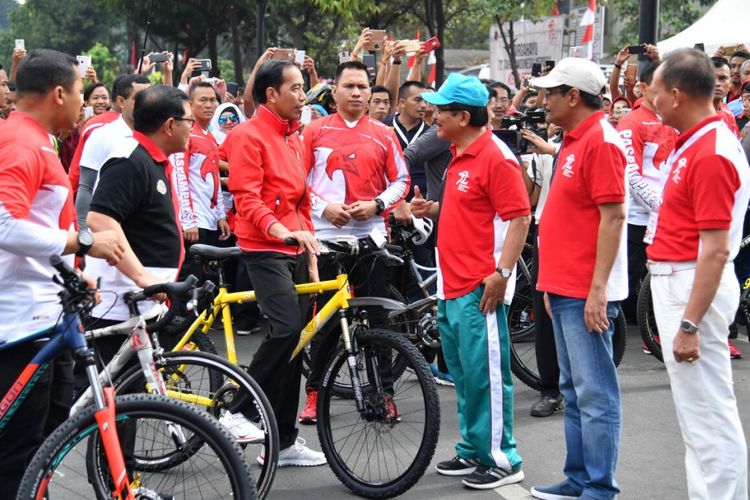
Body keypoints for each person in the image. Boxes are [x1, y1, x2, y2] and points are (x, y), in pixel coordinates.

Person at [0, 48, 124, 497]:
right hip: (21, 324)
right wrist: (84, 243)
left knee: (42, 452)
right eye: (77, 92)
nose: (82, 103)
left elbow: (39, 225)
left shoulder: (36, 139)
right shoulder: (21, 140)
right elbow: (5, 225)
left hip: (46, 313)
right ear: (58, 93)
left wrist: (72, 273)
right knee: (20, 458)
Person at [412, 73, 530, 489]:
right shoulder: (459, 152)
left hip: (481, 288)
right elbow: (473, 207)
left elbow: (519, 217)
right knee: (463, 374)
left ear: (463, 116)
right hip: (452, 283)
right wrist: (432, 209)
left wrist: (501, 274)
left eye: (441, 110)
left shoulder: (496, 156)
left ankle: (502, 458)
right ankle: (475, 448)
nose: (433, 115)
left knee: (487, 376)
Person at [647, 47, 749, 500]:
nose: (647, 98)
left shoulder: (710, 151)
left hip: (692, 284)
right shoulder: (698, 140)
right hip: (683, 281)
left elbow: (715, 250)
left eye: (653, 90)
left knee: (707, 413)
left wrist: (689, 323)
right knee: (698, 414)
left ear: (674, 95)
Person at [530, 57, 628, 500]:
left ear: (573, 96)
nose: (542, 99)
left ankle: (599, 487)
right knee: (573, 389)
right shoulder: (572, 140)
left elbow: (614, 218)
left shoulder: (601, 141)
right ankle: (579, 478)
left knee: (595, 394)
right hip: (563, 286)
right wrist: (550, 284)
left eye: (550, 92)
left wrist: (598, 291)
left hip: (585, 290)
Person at [221, 59, 326, 465]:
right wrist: (281, 232)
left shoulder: (293, 135)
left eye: (303, 88)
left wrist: (311, 241)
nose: (304, 97)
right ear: (271, 94)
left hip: (296, 246)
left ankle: (281, 442)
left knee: (297, 344)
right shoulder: (250, 135)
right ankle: (236, 408)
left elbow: (301, 199)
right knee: (285, 330)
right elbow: (247, 198)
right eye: (296, 89)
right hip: (265, 247)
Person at [297, 60, 410, 425]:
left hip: (371, 239)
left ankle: (385, 395)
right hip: (325, 240)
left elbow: (402, 181)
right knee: (327, 323)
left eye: (363, 86)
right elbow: (297, 182)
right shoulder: (313, 131)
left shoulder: (384, 133)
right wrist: (324, 208)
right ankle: (315, 395)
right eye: (350, 86)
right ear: (335, 91)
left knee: (377, 320)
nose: (358, 93)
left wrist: (376, 205)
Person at [616, 61, 677, 330]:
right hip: (637, 217)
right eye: (659, 87)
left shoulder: (673, 120)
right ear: (642, 88)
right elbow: (631, 175)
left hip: (665, 214)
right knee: (630, 276)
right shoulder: (631, 122)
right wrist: (660, 206)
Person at [172, 82, 230, 284]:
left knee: (209, 283)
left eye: (213, 100)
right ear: (190, 104)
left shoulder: (210, 136)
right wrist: (188, 221)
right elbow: (179, 178)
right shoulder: (185, 133)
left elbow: (213, 178)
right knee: (192, 283)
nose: (209, 105)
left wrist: (221, 216)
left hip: (210, 220)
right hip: (194, 223)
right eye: (203, 100)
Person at [75, 74, 151, 228]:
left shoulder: (156, 136)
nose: (147, 104)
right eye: (140, 99)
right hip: (106, 230)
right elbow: (86, 186)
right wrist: (83, 231)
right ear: (122, 102)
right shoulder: (102, 135)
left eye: (150, 98)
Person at [67, 74, 128, 191]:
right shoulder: (76, 124)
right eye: (95, 98)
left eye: (104, 98)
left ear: (110, 101)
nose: (100, 102)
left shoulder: (124, 124)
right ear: (86, 102)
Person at [712, 57, 742, 138]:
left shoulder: (728, 113)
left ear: (730, 83)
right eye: (711, 78)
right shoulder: (689, 116)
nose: (717, 83)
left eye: (722, 78)